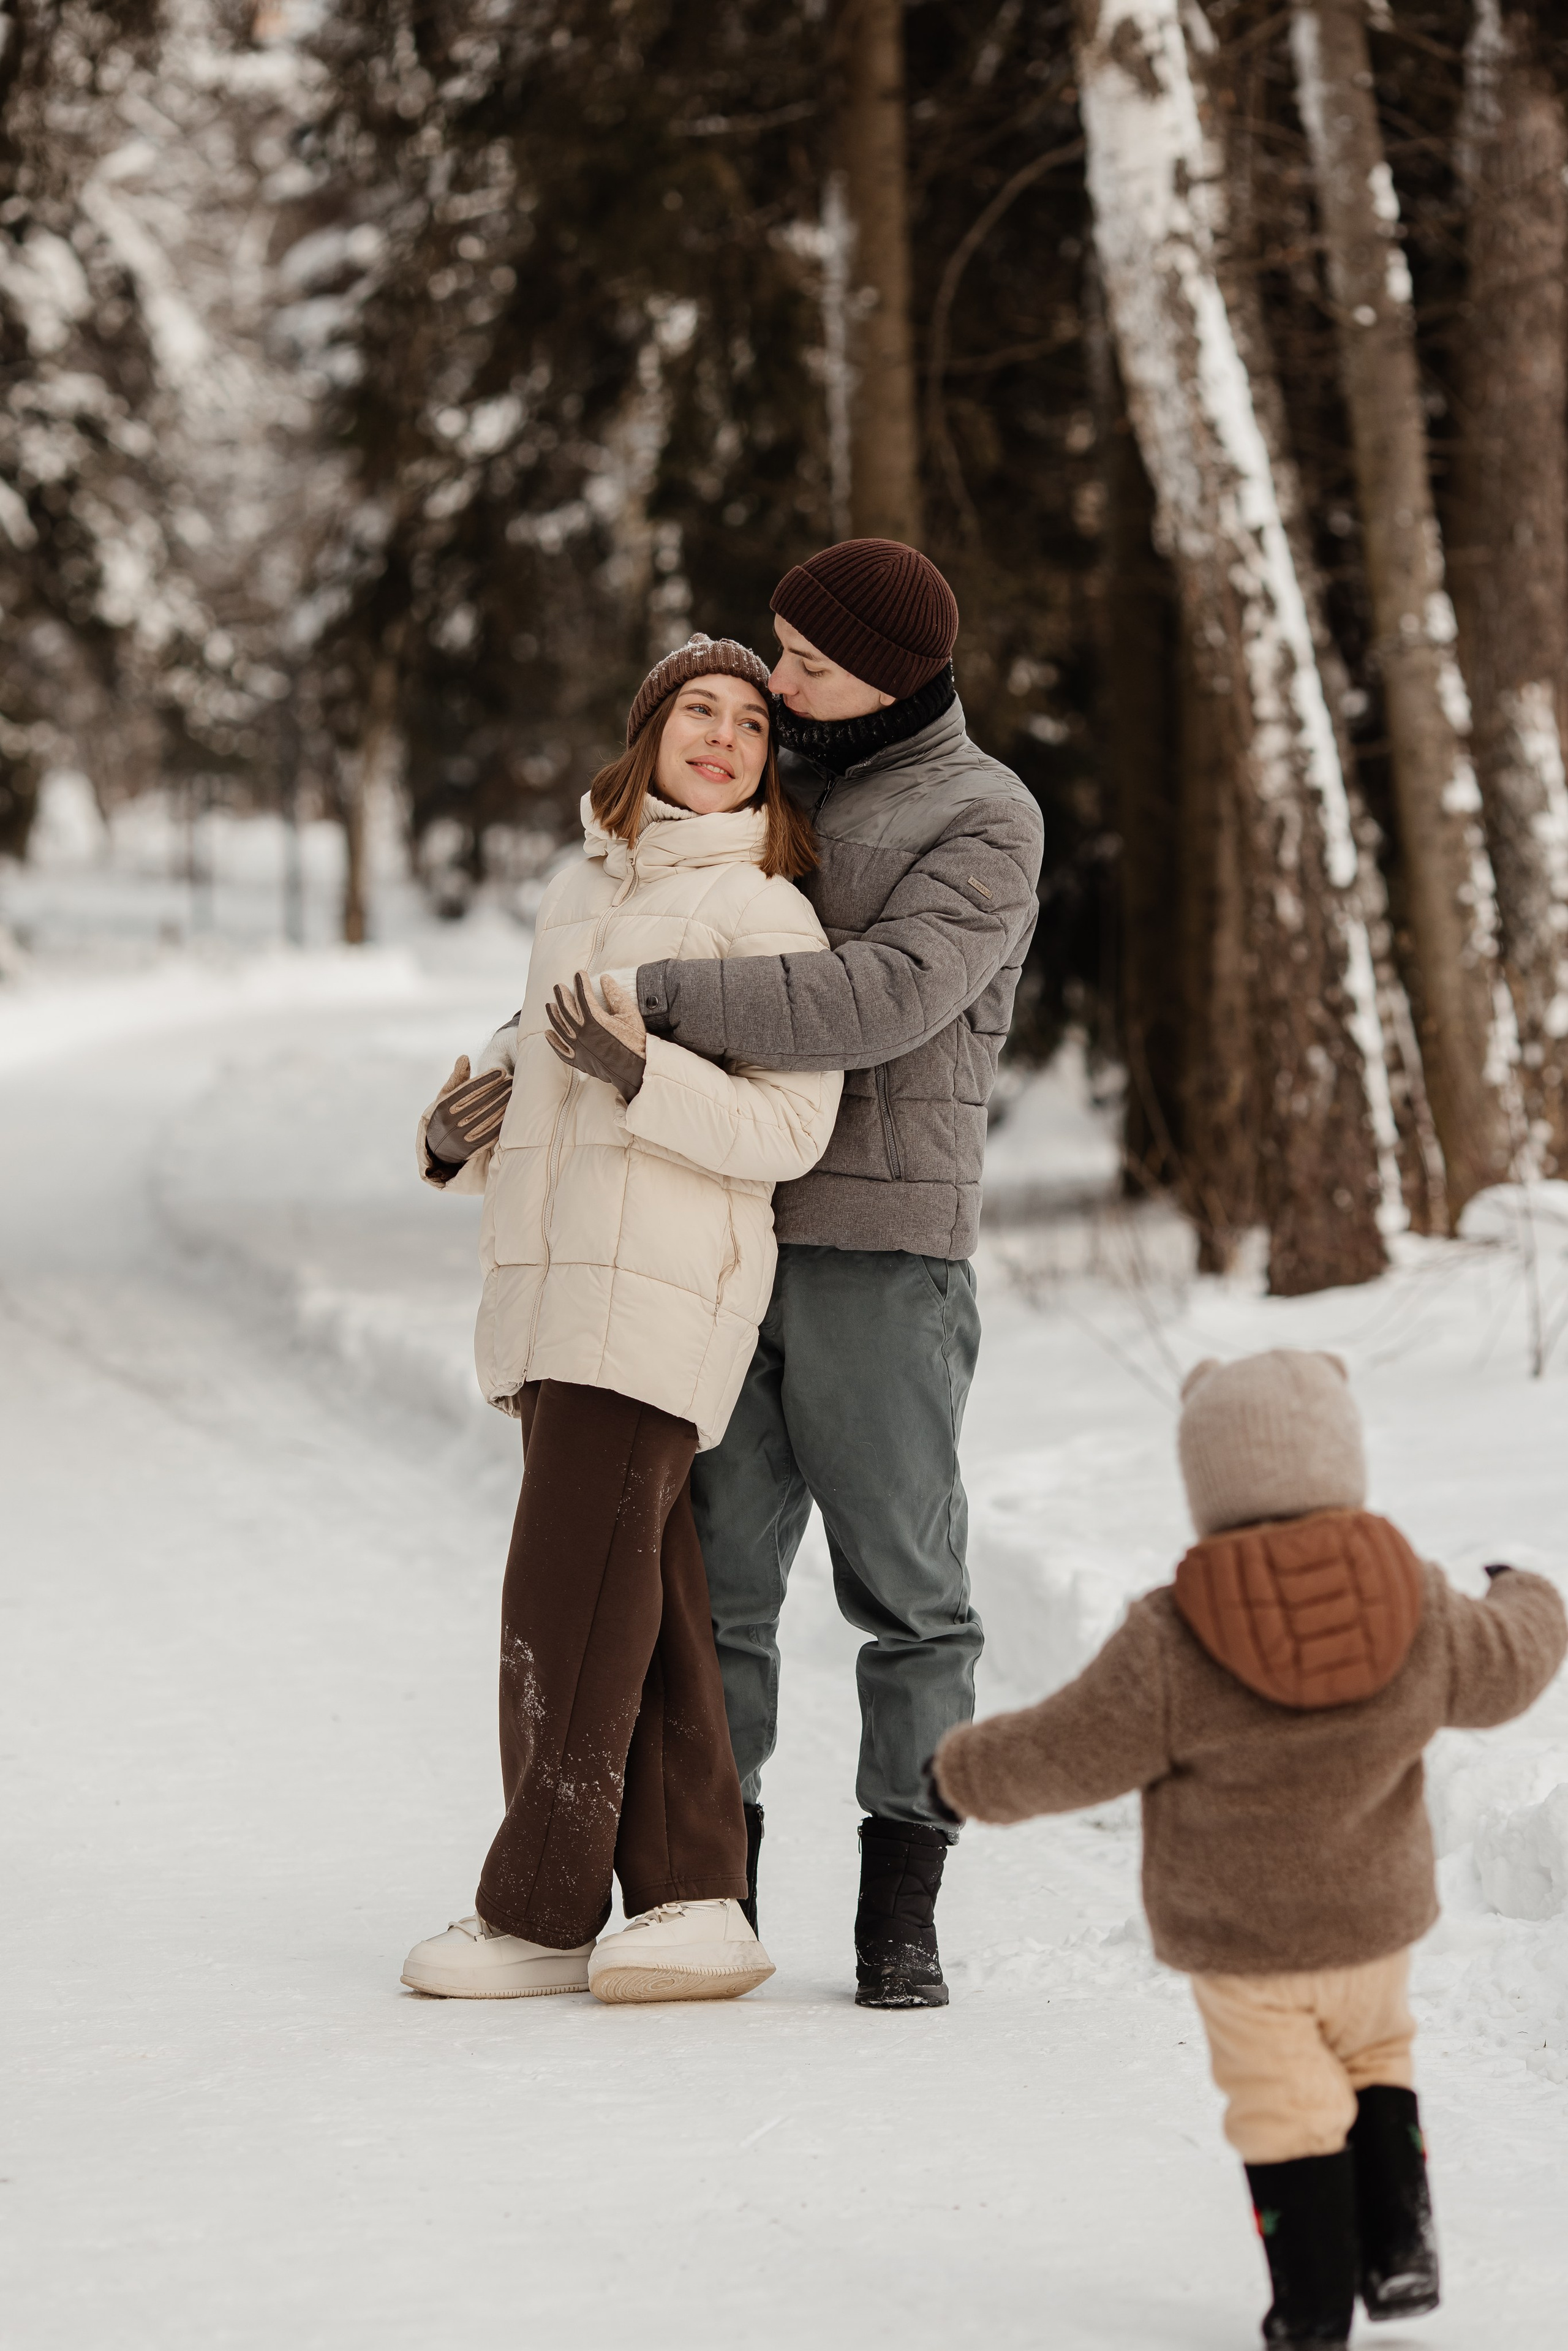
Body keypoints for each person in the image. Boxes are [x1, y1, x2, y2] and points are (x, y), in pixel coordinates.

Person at [603, 538, 1044, 2008]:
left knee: (906, 1591)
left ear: (892, 676)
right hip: (730, 1221)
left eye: (803, 661)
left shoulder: (984, 816)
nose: (773, 680)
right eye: (778, 652)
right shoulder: (786, 785)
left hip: (882, 1250)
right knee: (714, 1578)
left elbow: (880, 996)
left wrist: (651, 1001)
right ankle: (702, 1890)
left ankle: (899, 1903)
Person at [929, 1349, 1567, 2350]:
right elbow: (1512, 1664)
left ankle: (1312, 2305)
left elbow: (1068, 1748)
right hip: (1372, 1926)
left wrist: (963, 1772)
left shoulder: (1173, 1634)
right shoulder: (1416, 1603)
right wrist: (1526, 1592)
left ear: (1208, 1476)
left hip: (1246, 1943)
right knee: (1377, 2058)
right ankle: (1399, 2254)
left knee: (1285, 2102)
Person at [401, 636, 843, 2006]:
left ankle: (535, 1907)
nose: (722, 737)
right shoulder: (579, 890)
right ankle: (689, 1894)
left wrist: (644, 1071)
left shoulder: (764, 908)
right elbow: (536, 1066)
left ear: (770, 764)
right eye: (695, 711)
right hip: (553, 1284)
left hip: (656, 1287)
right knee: (636, 1597)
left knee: (564, 1590)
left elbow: (790, 1124)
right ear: (647, 728)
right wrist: (453, 1132)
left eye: (752, 724)